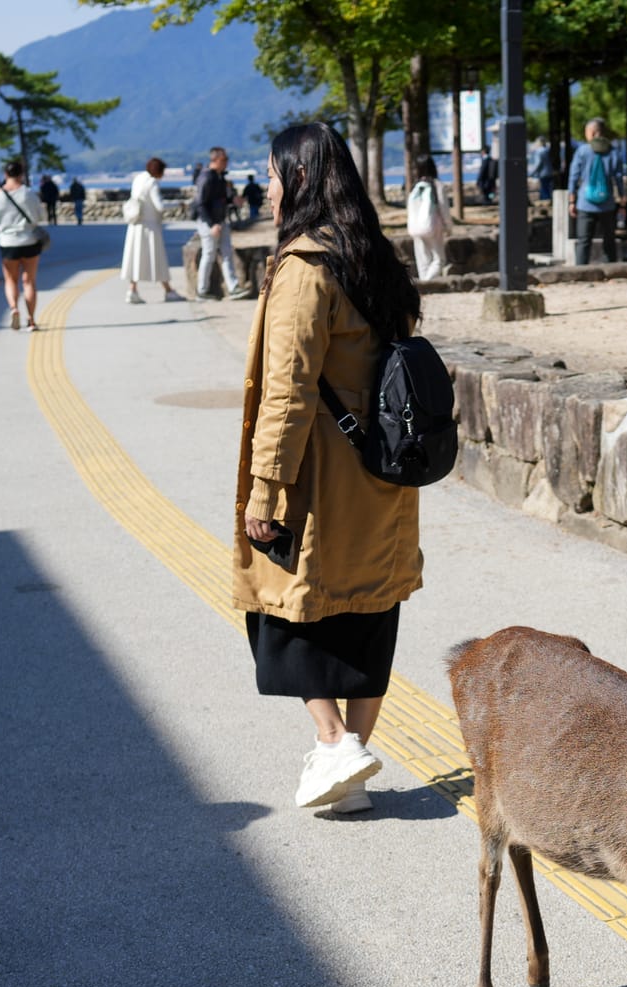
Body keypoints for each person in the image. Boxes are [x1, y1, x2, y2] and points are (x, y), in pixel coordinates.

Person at [235, 121, 424, 815]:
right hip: (385, 469)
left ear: (301, 181)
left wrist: (265, 491)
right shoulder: (375, 258)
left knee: (283, 607)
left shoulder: (305, 267)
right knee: (372, 612)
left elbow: (285, 389)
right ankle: (348, 774)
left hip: (319, 477)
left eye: (274, 175)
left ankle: (336, 740)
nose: (267, 187)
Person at [0, 159, 48, 332]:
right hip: (29, 241)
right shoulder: (28, 194)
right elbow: (40, 216)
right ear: (21, 174)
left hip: (7, 242)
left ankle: (14, 308)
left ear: (5, 174)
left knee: (10, 280)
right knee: (29, 281)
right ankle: (31, 319)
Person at [194, 146, 253, 300]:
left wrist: (232, 200)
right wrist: (211, 224)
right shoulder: (206, 177)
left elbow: (218, 200)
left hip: (221, 220)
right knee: (209, 255)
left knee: (227, 253)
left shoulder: (219, 177)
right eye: (224, 160)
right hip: (210, 223)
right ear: (216, 160)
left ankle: (233, 287)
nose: (227, 162)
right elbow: (201, 203)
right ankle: (202, 290)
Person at [121, 157, 178, 304]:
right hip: (150, 227)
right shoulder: (152, 183)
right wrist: (178, 205)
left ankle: (132, 290)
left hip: (135, 225)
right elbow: (160, 206)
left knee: (135, 259)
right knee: (157, 258)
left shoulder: (138, 179)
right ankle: (168, 291)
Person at [567, 117, 624, 265]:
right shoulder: (613, 152)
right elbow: (618, 178)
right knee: (609, 239)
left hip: (585, 203)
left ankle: (581, 271)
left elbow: (573, 177)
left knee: (584, 241)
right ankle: (612, 269)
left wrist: (571, 200)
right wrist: (622, 199)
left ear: (592, 133)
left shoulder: (582, 151)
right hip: (607, 202)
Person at [404, 155, 450, 280]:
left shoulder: (415, 187)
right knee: (439, 260)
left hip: (415, 229)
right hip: (433, 227)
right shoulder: (436, 185)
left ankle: (424, 285)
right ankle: (427, 283)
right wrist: (448, 226)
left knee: (422, 261)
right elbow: (444, 208)